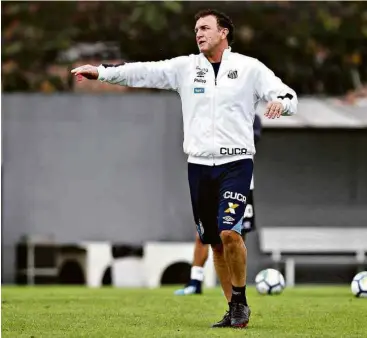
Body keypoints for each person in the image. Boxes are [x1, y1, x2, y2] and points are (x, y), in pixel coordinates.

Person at [71, 9, 298, 329]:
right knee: (214, 242)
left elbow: (286, 95)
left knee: (230, 231)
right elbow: (142, 72)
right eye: (195, 29)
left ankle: (241, 300)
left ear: (224, 33)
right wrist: (102, 72)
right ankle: (234, 309)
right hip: (199, 166)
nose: (198, 33)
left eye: (205, 28)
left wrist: (282, 104)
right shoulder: (185, 68)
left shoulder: (249, 69)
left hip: (236, 164)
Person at [174, 114, 262, 297]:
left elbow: (251, 140)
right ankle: (196, 281)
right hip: (210, 180)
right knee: (205, 236)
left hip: (241, 186)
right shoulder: (210, 111)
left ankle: (237, 292)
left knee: (234, 238)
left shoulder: (250, 116)